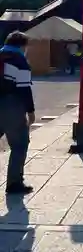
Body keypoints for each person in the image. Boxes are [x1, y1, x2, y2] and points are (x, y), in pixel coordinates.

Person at [0, 31, 35, 194]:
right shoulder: (19, 61)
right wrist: (30, 111)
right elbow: (24, 89)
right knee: (19, 144)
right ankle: (14, 183)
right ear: (22, 45)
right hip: (10, 105)